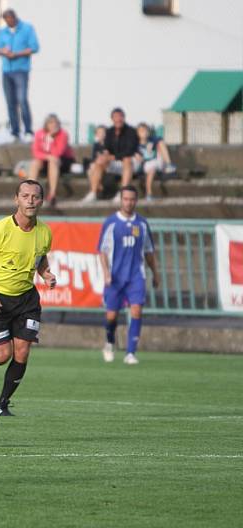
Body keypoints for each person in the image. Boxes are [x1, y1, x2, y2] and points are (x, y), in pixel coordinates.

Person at [0, 180, 56, 416]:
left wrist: (45, 273)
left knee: (23, 352)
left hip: (26, 300)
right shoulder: (0, 229)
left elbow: (40, 258)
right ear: (16, 199)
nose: (30, 201)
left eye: (35, 196)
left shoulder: (44, 232)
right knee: (2, 355)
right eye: (25, 196)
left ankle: (2, 404)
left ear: (42, 200)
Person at [98, 185, 160, 365]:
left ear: (136, 200)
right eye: (126, 199)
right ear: (121, 200)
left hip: (136, 276)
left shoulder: (141, 223)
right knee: (111, 316)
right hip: (115, 277)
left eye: (132, 199)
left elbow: (149, 252)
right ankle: (109, 342)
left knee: (137, 311)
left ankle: (130, 353)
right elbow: (102, 252)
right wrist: (106, 273)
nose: (129, 202)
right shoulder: (111, 223)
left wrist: (156, 274)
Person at [0, 9, 39, 143]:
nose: (9, 22)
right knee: (10, 102)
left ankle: (28, 130)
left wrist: (17, 54)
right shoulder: (2, 32)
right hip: (6, 71)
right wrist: (3, 51)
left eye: (11, 19)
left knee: (22, 99)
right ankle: (15, 130)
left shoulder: (27, 29)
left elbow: (34, 47)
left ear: (15, 18)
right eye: (6, 20)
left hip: (21, 70)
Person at [83, 108, 139, 202]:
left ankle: (122, 193)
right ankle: (93, 193)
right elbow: (107, 148)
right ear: (112, 119)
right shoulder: (109, 132)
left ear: (124, 118)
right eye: (115, 117)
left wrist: (113, 157)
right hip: (116, 162)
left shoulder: (131, 131)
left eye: (120, 117)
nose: (118, 119)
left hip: (131, 163)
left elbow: (130, 151)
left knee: (127, 160)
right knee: (99, 161)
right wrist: (105, 156)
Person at [27, 113, 75, 205]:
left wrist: (51, 139)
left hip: (63, 161)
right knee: (35, 163)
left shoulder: (63, 134)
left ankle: (52, 194)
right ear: (46, 124)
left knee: (53, 161)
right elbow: (36, 152)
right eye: (51, 123)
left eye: (56, 123)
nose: (54, 125)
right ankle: (30, 192)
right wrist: (47, 156)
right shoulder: (39, 133)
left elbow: (58, 153)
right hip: (46, 159)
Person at [134, 123, 177, 202]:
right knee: (151, 169)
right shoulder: (135, 144)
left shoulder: (152, 139)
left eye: (146, 130)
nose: (144, 133)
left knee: (160, 144)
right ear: (137, 133)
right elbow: (137, 157)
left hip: (157, 161)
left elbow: (160, 140)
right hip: (145, 164)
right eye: (141, 131)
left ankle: (168, 164)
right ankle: (149, 194)